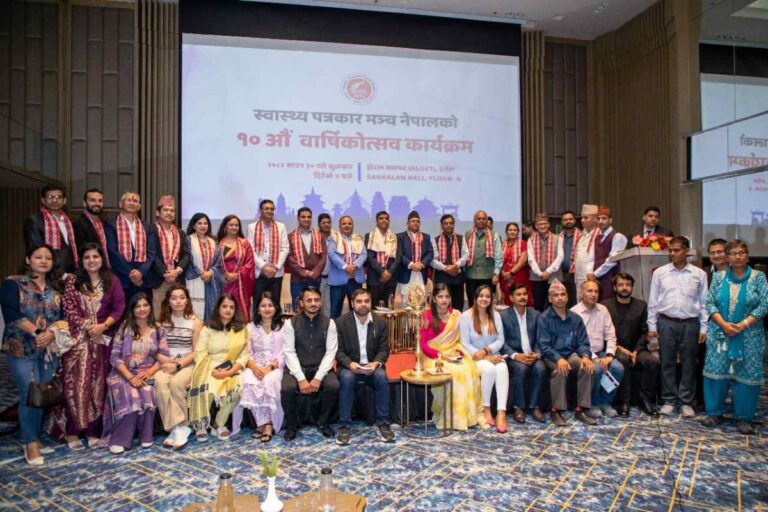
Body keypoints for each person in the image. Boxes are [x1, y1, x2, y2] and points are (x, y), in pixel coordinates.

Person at [0, 245, 63, 465]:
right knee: (29, 390)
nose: (43, 261)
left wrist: (51, 335)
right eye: (38, 257)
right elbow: (11, 313)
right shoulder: (13, 282)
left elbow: (62, 317)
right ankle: (30, 443)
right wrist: (37, 332)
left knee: (41, 392)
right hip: (20, 348)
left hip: (48, 350)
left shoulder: (56, 288)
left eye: (48, 258)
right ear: (28, 260)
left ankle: (34, 436)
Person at [60, 243, 125, 450]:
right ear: (81, 260)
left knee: (98, 385)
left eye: (95, 256)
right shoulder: (72, 281)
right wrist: (88, 327)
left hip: (103, 340)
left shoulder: (111, 281)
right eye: (87, 257)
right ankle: (72, 431)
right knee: (76, 384)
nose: (91, 260)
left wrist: (103, 326)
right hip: (77, 340)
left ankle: (91, 430)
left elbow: (119, 307)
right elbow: (68, 307)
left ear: (101, 259)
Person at [702, 240, 768, 435]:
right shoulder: (719, 277)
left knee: (747, 375)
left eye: (742, 253)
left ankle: (744, 417)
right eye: (734, 253)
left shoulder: (758, 277)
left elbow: (764, 305)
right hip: (720, 335)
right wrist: (724, 325)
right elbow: (710, 303)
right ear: (727, 257)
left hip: (750, 335)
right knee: (716, 373)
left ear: (747, 256)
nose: (738, 256)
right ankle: (715, 412)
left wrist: (742, 324)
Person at [647, 236, 708, 418]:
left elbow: (704, 303)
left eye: (677, 250)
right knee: (667, 363)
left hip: (690, 323)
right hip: (666, 323)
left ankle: (686, 401)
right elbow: (653, 301)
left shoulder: (699, 274)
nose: (672, 253)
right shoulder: (660, 273)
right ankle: (669, 400)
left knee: (689, 364)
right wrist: (652, 325)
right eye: (670, 250)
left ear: (686, 251)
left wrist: (704, 328)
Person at [106, 293, 168, 454]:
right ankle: (120, 439)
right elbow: (114, 357)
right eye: (137, 306)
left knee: (148, 391)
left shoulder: (159, 328)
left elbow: (164, 356)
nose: (142, 309)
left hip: (148, 373)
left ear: (150, 307)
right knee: (132, 393)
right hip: (123, 373)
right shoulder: (125, 327)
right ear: (132, 309)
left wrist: (149, 372)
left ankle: (145, 436)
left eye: (145, 305)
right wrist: (130, 377)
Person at [419, 284, 485, 430]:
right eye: (440, 296)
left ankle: (467, 417)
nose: (444, 300)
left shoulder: (456, 315)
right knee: (454, 373)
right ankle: (449, 417)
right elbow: (423, 344)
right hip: (433, 356)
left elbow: (460, 340)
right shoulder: (427, 316)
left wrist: (457, 352)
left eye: (447, 297)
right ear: (434, 299)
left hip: (452, 353)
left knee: (468, 369)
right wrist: (441, 355)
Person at [335, 288, 394, 444]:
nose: (363, 305)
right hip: (350, 366)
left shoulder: (380, 322)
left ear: (371, 303)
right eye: (359, 301)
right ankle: (344, 425)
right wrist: (349, 364)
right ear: (352, 303)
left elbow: (384, 348)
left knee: (382, 376)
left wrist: (376, 363)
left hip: (372, 366)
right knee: (347, 378)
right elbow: (338, 351)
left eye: (366, 301)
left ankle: (383, 423)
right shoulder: (341, 322)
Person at [188, 294, 249, 441]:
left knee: (237, 388)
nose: (228, 310)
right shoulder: (208, 328)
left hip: (232, 367)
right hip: (209, 365)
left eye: (232, 307)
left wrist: (231, 371)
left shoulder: (241, 329)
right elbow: (200, 352)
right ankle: (201, 425)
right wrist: (211, 369)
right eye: (225, 306)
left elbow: (244, 355)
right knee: (207, 387)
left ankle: (218, 424)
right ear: (218, 308)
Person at [281, 287, 339, 440]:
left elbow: (330, 352)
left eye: (316, 300)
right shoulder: (290, 323)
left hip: (321, 367)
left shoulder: (330, 323)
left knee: (333, 386)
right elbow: (289, 352)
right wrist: (300, 378)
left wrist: (318, 377)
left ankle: (323, 422)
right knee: (287, 388)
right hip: (297, 367)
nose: (313, 303)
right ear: (301, 303)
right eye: (309, 300)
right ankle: (292, 425)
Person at [537, 279, 596, 426]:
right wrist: (558, 359)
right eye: (555, 295)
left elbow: (582, 343)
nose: (560, 298)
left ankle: (580, 409)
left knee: (586, 367)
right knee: (560, 370)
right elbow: (543, 345)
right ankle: (556, 411)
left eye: (563, 294)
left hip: (570, 355)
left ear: (567, 297)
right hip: (551, 356)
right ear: (550, 299)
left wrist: (586, 356)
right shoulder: (544, 318)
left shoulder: (575, 319)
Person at [602, 272, 659, 417]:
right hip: (615, 348)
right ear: (615, 287)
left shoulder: (641, 305)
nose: (624, 288)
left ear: (632, 287)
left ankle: (644, 398)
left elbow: (644, 331)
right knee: (623, 359)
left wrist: (636, 350)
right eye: (620, 285)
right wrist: (621, 349)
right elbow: (604, 333)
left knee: (652, 361)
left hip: (637, 349)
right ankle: (624, 402)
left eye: (628, 285)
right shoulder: (605, 306)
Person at [155, 285, 203, 449]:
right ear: (168, 301)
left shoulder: (195, 322)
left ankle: (178, 428)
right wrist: (167, 362)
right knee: (160, 383)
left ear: (187, 299)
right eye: (174, 298)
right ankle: (179, 427)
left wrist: (178, 365)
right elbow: (155, 350)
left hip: (187, 364)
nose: (178, 301)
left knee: (176, 384)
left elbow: (197, 351)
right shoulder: (161, 323)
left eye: (182, 297)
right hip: (167, 363)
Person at [236, 291, 285, 443]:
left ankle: (266, 424)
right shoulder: (250, 327)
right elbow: (245, 352)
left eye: (270, 305)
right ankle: (265, 423)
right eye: (263, 305)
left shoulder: (284, 326)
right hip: (254, 366)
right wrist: (252, 366)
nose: (267, 308)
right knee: (248, 382)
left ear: (276, 307)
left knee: (268, 382)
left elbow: (285, 353)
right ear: (257, 309)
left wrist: (269, 368)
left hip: (274, 368)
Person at [571, 280, 624, 419]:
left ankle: (606, 402)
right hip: (583, 354)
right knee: (597, 368)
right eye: (589, 291)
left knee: (618, 368)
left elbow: (611, 335)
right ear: (581, 293)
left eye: (596, 291)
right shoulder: (574, 313)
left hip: (602, 352)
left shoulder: (603, 310)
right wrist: (595, 358)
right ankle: (592, 404)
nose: (593, 294)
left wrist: (609, 355)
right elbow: (576, 342)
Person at [460, 285, 508, 433]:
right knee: (488, 369)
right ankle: (486, 408)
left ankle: (501, 412)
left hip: (494, 355)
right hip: (474, 357)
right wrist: (484, 356)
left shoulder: (496, 315)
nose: (484, 299)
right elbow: (464, 343)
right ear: (475, 298)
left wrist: (487, 351)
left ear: (491, 299)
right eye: (481, 296)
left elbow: (500, 340)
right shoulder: (466, 316)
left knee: (502, 368)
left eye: (488, 296)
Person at [500, 284, 546, 423]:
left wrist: (537, 354)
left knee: (540, 368)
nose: (522, 297)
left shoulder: (536, 314)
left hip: (532, 354)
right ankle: (518, 407)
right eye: (518, 294)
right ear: (511, 298)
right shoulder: (503, 316)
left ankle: (534, 406)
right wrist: (515, 355)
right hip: (514, 355)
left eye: (524, 294)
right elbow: (501, 342)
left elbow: (541, 338)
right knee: (520, 368)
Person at [104, 191, 158, 301]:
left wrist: (141, 272)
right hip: (121, 277)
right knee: (121, 313)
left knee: (144, 313)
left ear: (139, 206)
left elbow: (152, 253)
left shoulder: (148, 226)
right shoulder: (110, 224)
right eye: (128, 200)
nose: (132, 203)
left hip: (144, 278)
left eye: (135, 201)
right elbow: (112, 251)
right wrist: (131, 274)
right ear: (120, 204)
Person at [247, 199, 289, 321]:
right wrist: (264, 267)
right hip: (259, 272)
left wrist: (275, 267)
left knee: (275, 302)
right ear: (260, 211)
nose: (269, 211)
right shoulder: (251, 227)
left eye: (272, 209)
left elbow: (285, 248)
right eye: (266, 208)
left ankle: (276, 328)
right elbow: (251, 249)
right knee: (258, 302)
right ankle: (257, 329)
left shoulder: (281, 226)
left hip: (276, 273)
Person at [24, 184, 78, 273]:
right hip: (48, 274)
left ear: (64, 200)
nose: (54, 200)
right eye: (50, 197)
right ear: (43, 200)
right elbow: (35, 251)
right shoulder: (34, 221)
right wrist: (59, 274)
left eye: (58, 197)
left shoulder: (72, 221)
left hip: (72, 274)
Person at [151, 196, 189, 313]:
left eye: (172, 210)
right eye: (165, 210)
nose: (169, 213)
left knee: (177, 314)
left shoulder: (180, 232)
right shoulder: (151, 230)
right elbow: (151, 253)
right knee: (159, 314)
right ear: (158, 212)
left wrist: (176, 271)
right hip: (159, 279)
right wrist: (165, 273)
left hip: (177, 279)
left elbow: (186, 255)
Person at [184, 213, 223, 320]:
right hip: (195, 280)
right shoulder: (188, 240)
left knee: (211, 312)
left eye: (205, 223)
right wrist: (201, 273)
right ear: (193, 226)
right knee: (195, 313)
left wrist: (210, 272)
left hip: (211, 281)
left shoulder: (214, 241)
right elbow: (188, 260)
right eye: (199, 223)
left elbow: (219, 262)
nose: (203, 226)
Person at [217, 214, 255, 323]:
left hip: (240, 285)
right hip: (222, 283)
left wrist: (237, 275)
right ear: (225, 227)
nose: (234, 227)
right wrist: (225, 275)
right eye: (231, 225)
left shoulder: (244, 244)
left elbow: (249, 264)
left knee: (240, 313)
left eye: (236, 225)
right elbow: (214, 264)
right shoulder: (218, 243)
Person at [286, 207, 327, 306]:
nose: (306, 219)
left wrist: (315, 272)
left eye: (309, 217)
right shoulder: (290, 236)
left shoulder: (320, 236)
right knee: (297, 306)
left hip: (315, 278)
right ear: (298, 218)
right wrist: (302, 271)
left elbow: (324, 256)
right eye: (303, 217)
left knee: (314, 306)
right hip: (297, 279)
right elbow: (289, 257)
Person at [327, 216, 366, 319]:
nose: (347, 225)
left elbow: (364, 255)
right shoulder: (333, 238)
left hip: (355, 279)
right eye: (344, 223)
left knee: (357, 311)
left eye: (349, 223)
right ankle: (334, 335)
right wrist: (345, 266)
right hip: (338, 280)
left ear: (353, 226)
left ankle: (355, 334)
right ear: (340, 226)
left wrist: (354, 266)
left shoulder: (359, 238)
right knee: (335, 312)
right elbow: (331, 254)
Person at [464, 210, 503, 308]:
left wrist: (496, 273)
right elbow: (464, 255)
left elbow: (498, 256)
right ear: (474, 221)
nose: (481, 221)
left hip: (488, 276)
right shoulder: (467, 234)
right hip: (471, 276)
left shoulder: (495, 235)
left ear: (487, 220)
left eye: (483, 219)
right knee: (472, 304)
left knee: (487, 304)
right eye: (479, 219)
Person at [430, 214, 469, 311]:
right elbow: (432, 259)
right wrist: (446, 268)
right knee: (441, 306)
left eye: (451, 223)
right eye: (445, 223)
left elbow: (466, 255)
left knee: (457, 307)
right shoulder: (435, 240)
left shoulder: (461, 238)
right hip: (441, 279)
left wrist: (455, 265)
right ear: (441, 225)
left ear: (454, 225)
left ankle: (456, 326)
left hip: (457, 279)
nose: (448, 225)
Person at [527, 214, 564, 311]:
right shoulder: (531, 240)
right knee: (538, 305)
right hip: (537, 277)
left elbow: (560, 257)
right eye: (539, 224)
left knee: (556, 304)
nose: (542, 226)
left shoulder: (558, 238)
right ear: (536, 226)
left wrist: (548, 271)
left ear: (548, 225)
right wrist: (540, 273)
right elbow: (531, 259)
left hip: (554, 276)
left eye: (544, 224)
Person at [591, 206, 628, 300]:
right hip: (597, 279)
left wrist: (595, 274)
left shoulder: (618, 236)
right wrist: (590, 273)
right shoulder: (597, 237)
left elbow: (612, 261)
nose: (600, 221)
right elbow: (591, 258)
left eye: (604, 218)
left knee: (609, 307)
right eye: (598, 219)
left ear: (610, 220)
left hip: (610, 279)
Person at [365, 211, 399, 308]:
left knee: (388, 309)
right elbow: (369, 256)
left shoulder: (395, 237)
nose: (384, 220)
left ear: (389, 221)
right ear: (376, 222)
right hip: (374, 278)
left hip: (391, 278)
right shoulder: (369, 236)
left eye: (386, 218)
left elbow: (398, 257)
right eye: (381, 218)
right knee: (373, 309)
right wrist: (382, 272)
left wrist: (389, 272)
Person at [396, 211, 433, 299]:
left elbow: (430, 253)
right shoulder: (400, 236)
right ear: (408, 223)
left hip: (421, 272)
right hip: (406, 273)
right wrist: (411, 265)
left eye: (417, 221)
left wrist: (422, 264)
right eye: (413, 221)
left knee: (420, 300)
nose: (415, 223)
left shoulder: (426, 237)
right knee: (406, 301)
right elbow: (399, 254)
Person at [73, 188, 110, 267]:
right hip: (89, 269)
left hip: (105, 268)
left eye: (100, 201)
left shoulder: (104, 223)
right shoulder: (78, 224)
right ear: (84, 203)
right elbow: (81, 252)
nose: (97, 203)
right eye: (92, 200)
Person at [499, 222, 532, 307]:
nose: (512, 232)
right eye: (510, 230)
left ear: (518, 232)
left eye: (515, 230)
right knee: (508, 300)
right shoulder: (502, 244)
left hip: (520, 276)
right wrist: (502, 272)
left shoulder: (523, 243)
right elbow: (498, 260)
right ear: (506, 232)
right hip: (505, 277)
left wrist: (511, 273)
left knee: (520, 298)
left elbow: (523, 260)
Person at [572, 204, 600, 302]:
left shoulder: (600, 234)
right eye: (582, 218)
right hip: (579, 277)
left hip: (592, 277)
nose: (582, 220)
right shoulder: (582, 235)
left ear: (595, 219)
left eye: (586, 217)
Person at [557, 211, 579, 308]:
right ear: (561, 222)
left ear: (575, 221)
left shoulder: (582, 236)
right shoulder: (558, 237)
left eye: (570, 219)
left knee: (574, 300)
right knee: (561, 300)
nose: (568, 221)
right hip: (560, 273)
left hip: (575, 273)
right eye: (565, 220)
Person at [317, 213, 333, 317]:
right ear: (319, 224)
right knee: (316, 306)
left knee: (328, 307)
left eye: (328, 222)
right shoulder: (315, 237)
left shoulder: (336, 238)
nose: (326, 224)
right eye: (324, 223)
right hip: (317, 278)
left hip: (331, 279)